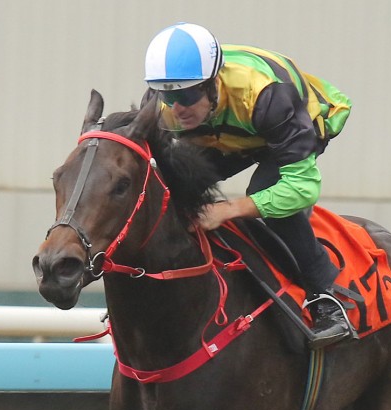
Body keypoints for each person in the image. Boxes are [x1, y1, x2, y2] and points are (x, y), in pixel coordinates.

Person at [144, 22, 355, 349]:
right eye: (168, 96)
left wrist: (228, 210)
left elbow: (302, 189)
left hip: (287, 125)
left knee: (265, 195)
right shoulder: (162, 107)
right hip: (224, 131)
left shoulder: (267, 94)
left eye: (186, 94)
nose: (177, 108)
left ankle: (328, 298)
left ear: (213, 83)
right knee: (172, 187)